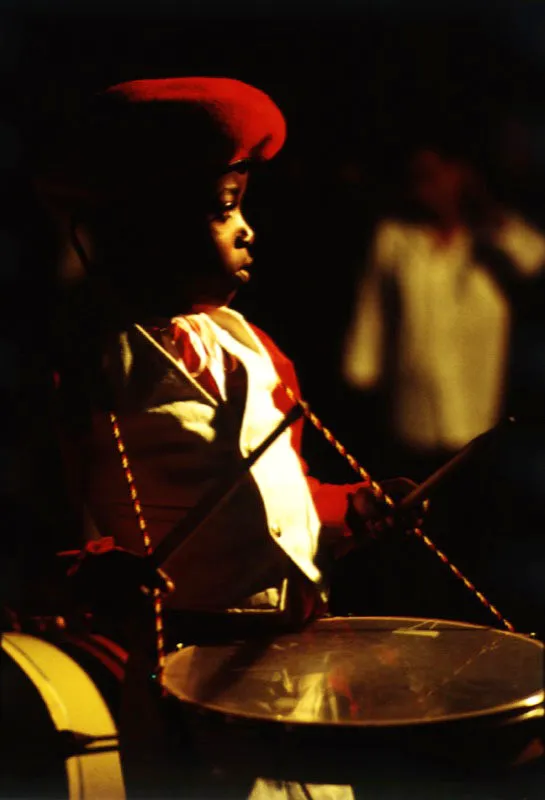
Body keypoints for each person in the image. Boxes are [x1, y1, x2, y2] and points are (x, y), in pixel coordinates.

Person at [28, 78, 423, 799]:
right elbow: (47, 519)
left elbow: (277, 493)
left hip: (299, 662)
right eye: (222, 211)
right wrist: (92, 570)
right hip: (186, 681)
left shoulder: (249, 345)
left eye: (241, 206)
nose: (247, 229)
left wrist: (350, 509)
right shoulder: (89, 365)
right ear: (147, 233)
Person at [342, 138, 545, 483]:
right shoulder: (396, 237)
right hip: (412, 414)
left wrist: (485, 213)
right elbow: (372, 313)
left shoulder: (490, 237)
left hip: (478, 416)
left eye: (438, 175)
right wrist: (360, 380)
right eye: (421, 177)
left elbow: (532, 259)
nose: (430, 188)